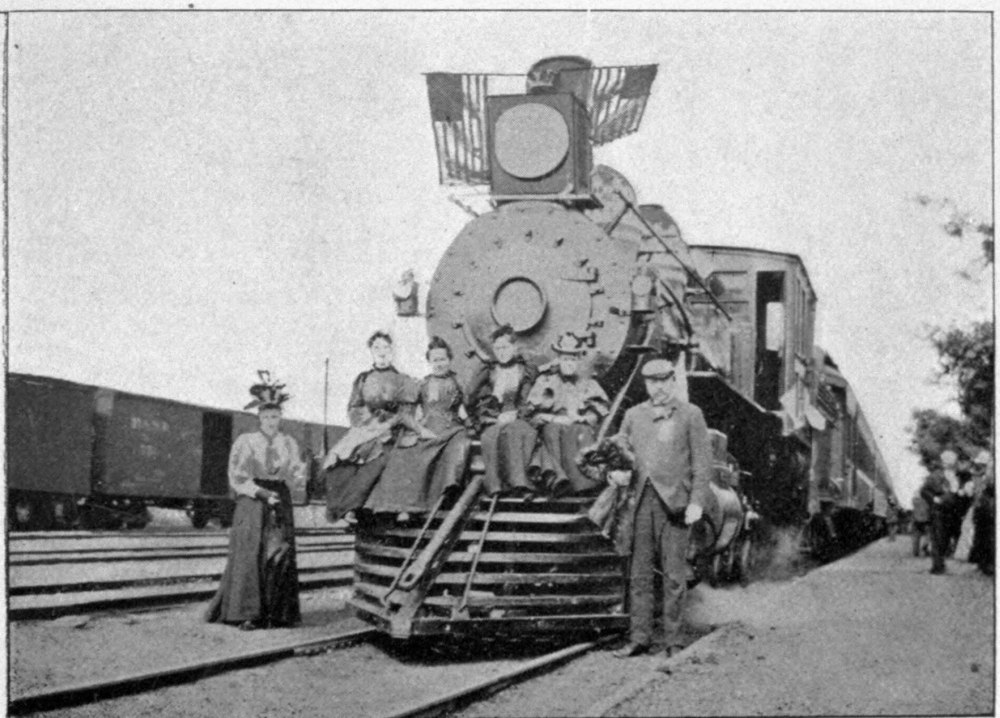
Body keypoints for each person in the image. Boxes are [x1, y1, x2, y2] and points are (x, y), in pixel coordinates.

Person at [609, 359, 711, 661]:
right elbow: (618, 455)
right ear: (646, 384)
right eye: (653, 382)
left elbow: (702, 463)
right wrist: (614, 474)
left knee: (674, 576)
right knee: (639, 575)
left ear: (673, 382)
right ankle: (639, 638)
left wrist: (697, 501)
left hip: (675, 504)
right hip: (640, 501)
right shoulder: (632, 415)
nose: (659, 387)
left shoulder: (691, 414)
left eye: (665, 381)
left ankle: (674, 641)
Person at [206, 372, 304, 630]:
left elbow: (296, 474)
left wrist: (298, 478)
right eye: (267, 417)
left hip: (280, 499)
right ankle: (247, 614)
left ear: (281, 418)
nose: (271, 421)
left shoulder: (288, 443)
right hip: (253, 500)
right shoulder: (246, 442)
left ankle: (278, 614)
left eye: (276, 417)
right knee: (251, 553)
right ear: (259, 417)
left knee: (279, 552)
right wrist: (262, 493)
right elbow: (237, 476)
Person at [364, 336, 472, 520]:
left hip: (452, 429)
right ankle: (397, 507)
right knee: (404, 455)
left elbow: (468, 407)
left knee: (453, 450)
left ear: (450, 360)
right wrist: (421, 430)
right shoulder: (422, 384)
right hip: (427, 428)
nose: (439, 364)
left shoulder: (458, 382)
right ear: (429, 361)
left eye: (443, 359)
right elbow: (405, 414)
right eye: (435, 360)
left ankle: (432, 502)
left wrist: (470, 422)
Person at [323, 331, 417, 523]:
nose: (381, 352)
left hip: (393, 430)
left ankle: (361, 506)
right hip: (367, 427)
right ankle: (344, 508)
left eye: (386, 347)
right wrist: (369, 420)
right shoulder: (363, 379)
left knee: (379, 458)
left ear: (392, 350)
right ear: (371, 351)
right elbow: (354, 407)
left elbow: (408, 409)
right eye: (377, 348)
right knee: (340, 458)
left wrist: (390, 421)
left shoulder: (403, 379)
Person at [527, 332, 609, 497]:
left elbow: (600, 410)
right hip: (552, 424)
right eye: (565, 359)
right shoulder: (546, 381)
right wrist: (553, 418)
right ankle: (555, 482)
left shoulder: (588, 383)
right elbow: (532, 412)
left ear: (578, 361)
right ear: (558, 359)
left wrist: (584, 418)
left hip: (577, 424)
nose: (569, 364)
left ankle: (583, 486)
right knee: (552, 431)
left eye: (573, 360)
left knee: (580, 431)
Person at [466, 325, 539, 498]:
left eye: (505, 347)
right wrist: (493, 417)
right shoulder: (489, 371)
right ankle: (496, 487)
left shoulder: (525, 370)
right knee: (490, 436)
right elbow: (472, 397)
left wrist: (516, 414)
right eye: (497, 348)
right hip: (494, 418)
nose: (502, 352)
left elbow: (529, 398)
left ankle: (521, 483)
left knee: (516, 432)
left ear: (514, 347)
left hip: (520, 416)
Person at [920, 452, 958, 575]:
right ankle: (937, 567)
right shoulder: (935, 475)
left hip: (951, 512)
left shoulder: (955, 476)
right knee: (938, 539)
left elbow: (955, 493)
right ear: (943, 462)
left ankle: (940, 564)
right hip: (938, 511)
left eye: (952, 461)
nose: (950, 463)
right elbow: (924, 491)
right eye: (948, 461)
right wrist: (933, 499)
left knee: (945, 539)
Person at [968, 450, 994, 575]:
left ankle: (985, 564)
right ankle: (983, 564)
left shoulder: (984, 476)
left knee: (984, 537)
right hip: (982, 509)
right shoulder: (979, 476)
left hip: (985, 508)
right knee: (982, 537)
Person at [911, 491, 930, 557]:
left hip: (916, 521)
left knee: (916, 537)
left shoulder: (914, 501)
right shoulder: (926, 502)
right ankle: (925, 545)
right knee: (929, 534)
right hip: (926, 521)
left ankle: (915, 552)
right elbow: (928, 509)